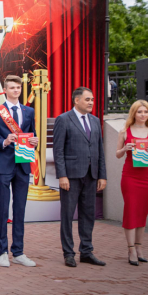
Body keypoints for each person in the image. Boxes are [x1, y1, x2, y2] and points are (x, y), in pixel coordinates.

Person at [0, 75, 38, 268]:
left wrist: (35, 141)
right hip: (4, 165)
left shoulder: (29, 111)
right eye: (12, 88)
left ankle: (18, 251)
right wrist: (4, 141)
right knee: (3, 209)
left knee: (20, 209)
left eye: (18, 87)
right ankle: (2, 252)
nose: (16, 90)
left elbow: (32, 134)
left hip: (23, 163)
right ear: (5, 90)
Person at [53, 87, 107, 268]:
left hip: (91, 176)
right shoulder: (63, 119)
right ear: (76, 100)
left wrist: (102, 175)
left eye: (92, 99)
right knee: (67, 215)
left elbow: (100, 151)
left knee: (88, 215)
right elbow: (58, 150)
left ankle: (86, 251)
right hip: (71, 176)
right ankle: (68, 253)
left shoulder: (95, 121)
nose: (91, 102)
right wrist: (62, 175)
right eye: (87, 99)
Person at [115, 100, 148, 265]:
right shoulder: (124, 132)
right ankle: (131, 248)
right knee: (131, 210)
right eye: (139, 112)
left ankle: (139, 247)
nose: (143, 115)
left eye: (146, 112)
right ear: (133, 113)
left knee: (142, 211)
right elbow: (117, 154)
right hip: (130, 176)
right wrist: (124, 149)